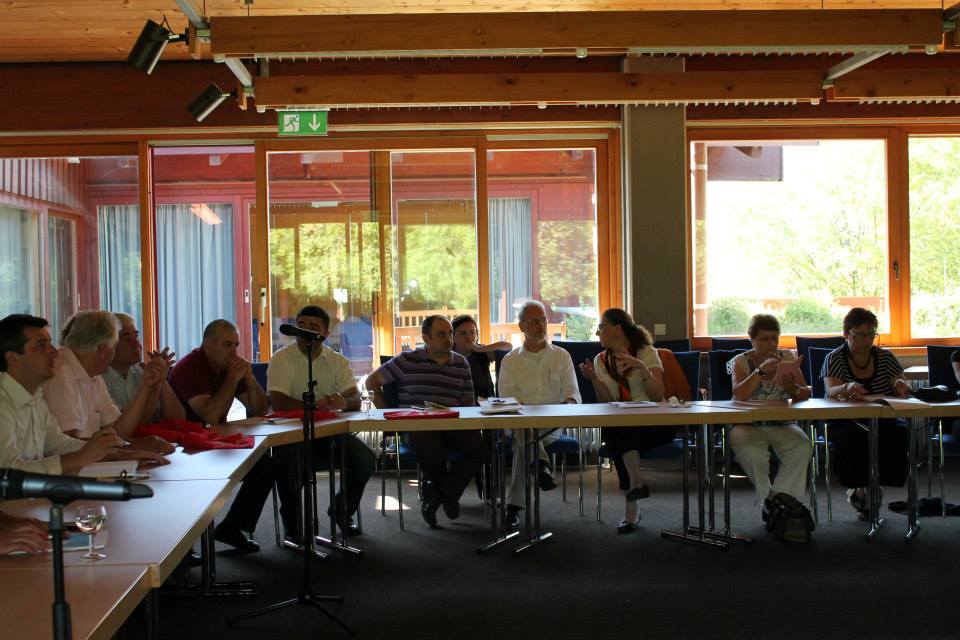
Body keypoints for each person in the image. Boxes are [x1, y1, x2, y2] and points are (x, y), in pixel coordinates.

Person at [365, 315, 487, 527]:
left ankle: (441, 493)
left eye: (450, 334)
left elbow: (467, 403)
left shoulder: (461, 363)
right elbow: (371, 381)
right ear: (426, 338)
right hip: (417, 426)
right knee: (431, 447)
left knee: (481, 447)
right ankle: (446, 494)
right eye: (441, 334)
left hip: (452, 425)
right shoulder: (407, 360)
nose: (449, 339)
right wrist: (387, 414)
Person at [267, 305, 375, 540]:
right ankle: (294, 526)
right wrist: (315, 406)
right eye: (301, 325)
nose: (305, 331)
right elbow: (278, 402)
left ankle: (341, 511)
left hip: (330, 434)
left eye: (313, 327)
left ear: (325, 333)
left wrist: (343, 402)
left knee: (365, 459)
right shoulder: (281, 359)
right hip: (292, 435)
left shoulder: (337, 361)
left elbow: (355, 400)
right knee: (289, 463)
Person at [169, 319, 274, 552]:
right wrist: (232, 379)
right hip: (184, 446)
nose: (234, 352)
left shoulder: (228, 367)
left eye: (236, 345)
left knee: (265, 465)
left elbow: (259, 410)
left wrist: (249, 379)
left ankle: (232, 527)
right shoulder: (189, 368)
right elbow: (210, 415)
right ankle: (181, 550)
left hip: (214, 441)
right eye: (227, 345)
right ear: (208, 344)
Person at [0, 314, 152, 475]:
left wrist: (115, 454)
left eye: (50, 344)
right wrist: (82, 457)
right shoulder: (3, 402)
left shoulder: (34, 396)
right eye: (42, 346)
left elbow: (58, 444)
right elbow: (7, 472)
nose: (53, 352)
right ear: (13, 358)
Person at [579, 308, 674, 533]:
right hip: (624, 423)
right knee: (617, 429)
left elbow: (657, 395)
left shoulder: (645, 352)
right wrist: (594, 379)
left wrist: (641, 367)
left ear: (617, 329)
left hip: (656, 421)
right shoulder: (601, 360)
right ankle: (636, 488)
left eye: (601, 327)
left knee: (617, 435)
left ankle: (632, 506)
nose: (598, 332)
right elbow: (608, 402)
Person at [821, 307, 911, 520]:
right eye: (860, 334)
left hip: (882, 417)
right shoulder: (835, 357)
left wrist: (901, 385)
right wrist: (847, 387)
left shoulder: (885, 357)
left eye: (871, 334)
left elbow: (898, 382)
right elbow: (831, 390)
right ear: (847, 334)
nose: (867, 340)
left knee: (898, 433)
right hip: (847, 419)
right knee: (854, 437)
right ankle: (859, 487)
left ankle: (874, 485)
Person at [498, 300, 579, 529]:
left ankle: (514, 507)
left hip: (552, 423)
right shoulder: (511, 360)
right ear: (521, 326)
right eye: (534, 321)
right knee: (524, 431)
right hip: (520, 420)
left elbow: (573, 393)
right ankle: (541, 464)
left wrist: (568, 404)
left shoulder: (561, 356)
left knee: (523, 441)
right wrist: (523, 412)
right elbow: (507, 398)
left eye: (543, 320)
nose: (541, 325)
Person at [42, 311, 173, 451]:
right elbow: (67, 445)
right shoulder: (59, 371)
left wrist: (146, 385)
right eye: (113, 348)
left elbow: (120, 431)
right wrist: (132, 447)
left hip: (94, 461)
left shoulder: (93, 373)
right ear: (102, 351)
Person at [728, 314, 813, 525]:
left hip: (782, 422)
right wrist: (759, 372)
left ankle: (776, 501)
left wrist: (792, 388)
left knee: (802, 447)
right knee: (753, 453)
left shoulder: (787, 357)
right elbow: (739, 394)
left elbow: (804, 394)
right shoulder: (741, 361)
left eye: (774, 338)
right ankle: (778, 503)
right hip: (747, 424)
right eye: (764, 339)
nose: (771, 344)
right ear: (752, 340)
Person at [102, 312, 185, 423]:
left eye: (136, 337)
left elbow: (178, 420)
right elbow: (132, 425)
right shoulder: (98, 377)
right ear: (109, 344)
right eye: (127, 339)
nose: (137, 344)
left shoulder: (142, 370)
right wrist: (153, 386)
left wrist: (161, 380)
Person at [450, 314, 511, 402]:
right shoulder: (448, 355)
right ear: (453, 336)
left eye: (472, 332)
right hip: (459, 404)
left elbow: (508, 346)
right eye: (463, 333)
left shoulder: (482, 351)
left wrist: (479, 349)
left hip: (485, 403)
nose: (469, 338)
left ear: (477, 335)